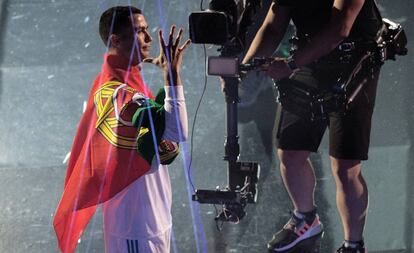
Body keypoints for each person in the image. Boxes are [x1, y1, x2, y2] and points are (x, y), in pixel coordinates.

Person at [242, 0, 383, 252]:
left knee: (345, 166)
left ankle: (353, 245)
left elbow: (340, 28)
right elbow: (274, 25)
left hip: (354, 61)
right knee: (290, 151)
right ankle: (305, 219)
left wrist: (290, 65)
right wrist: (244, 67)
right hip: (309, 58)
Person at [53, 6, 191, 253]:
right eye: (140, 31)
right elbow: (177, 131)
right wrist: (172, 74)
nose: (149, 38)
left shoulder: (126, 80)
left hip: (151, 218)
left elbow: (161, 141)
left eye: (147, 30)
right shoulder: (119, 93)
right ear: (116, 40)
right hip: (136, 228)